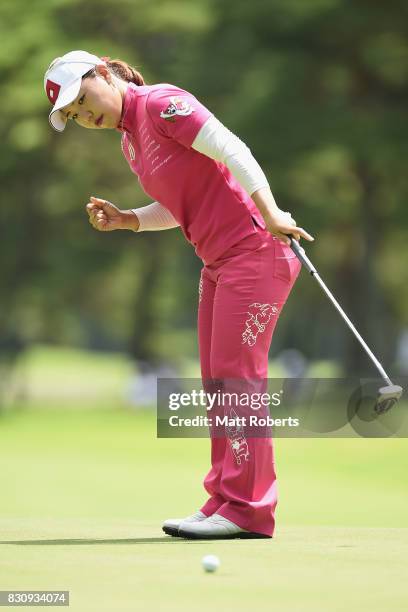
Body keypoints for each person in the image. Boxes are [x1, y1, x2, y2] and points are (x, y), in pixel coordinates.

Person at [44, 50, 314, 540]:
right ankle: (225, 501)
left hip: (255, 254)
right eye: (76, 115)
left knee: (237, 381)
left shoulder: (162, 105)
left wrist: (272, 212)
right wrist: (131, 219)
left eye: (84, 100)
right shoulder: (131, 141)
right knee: (217, 384)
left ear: (103, 74)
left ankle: (249, 510)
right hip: (218, 264)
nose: (87, 116)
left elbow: (233, 149)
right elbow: (177, 205)